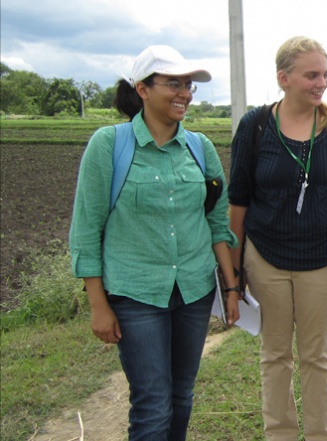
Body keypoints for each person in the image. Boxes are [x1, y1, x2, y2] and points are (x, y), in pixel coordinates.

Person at [69, 45, 240, 440]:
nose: (184, 93)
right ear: (142, 89)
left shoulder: (200, 148)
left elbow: (217, 222)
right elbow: (86, 229)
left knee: (181, 396)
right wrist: (98, 305)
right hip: (135, 294)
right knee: (152, 403)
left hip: (194, 290)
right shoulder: (109, 145)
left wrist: (230, 287)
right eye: (173, 84)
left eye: (189, 85)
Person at [228, 36, 327, 441]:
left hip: (322, 261)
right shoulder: (255, 126)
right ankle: (281, 435)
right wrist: (234, 272)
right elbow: (238, 202)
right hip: (265, 259)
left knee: (316, 357)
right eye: (312, 74)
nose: (321, 82)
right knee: (274, 355)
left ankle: (322, 435)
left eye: (325, 73)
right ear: (283, 78)